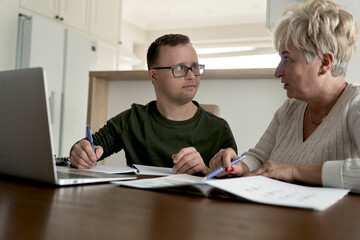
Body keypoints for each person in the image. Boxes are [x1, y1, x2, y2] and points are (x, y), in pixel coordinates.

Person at [209, 0, 360, 193]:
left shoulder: (356, 104)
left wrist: (295, 171)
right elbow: (260, 158)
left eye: (287, 59)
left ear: (324, 62)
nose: (278, 72)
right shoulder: (290, 108)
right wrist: (239, 164)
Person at [70, 34, 237, 175]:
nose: (191, 75)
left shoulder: (218, 129)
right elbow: (87, 147)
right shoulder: (131, 119)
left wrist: (205, 171)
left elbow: (233, 182)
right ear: (154, 76)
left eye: (194, 67)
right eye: (179, 68)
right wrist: (79, 152)